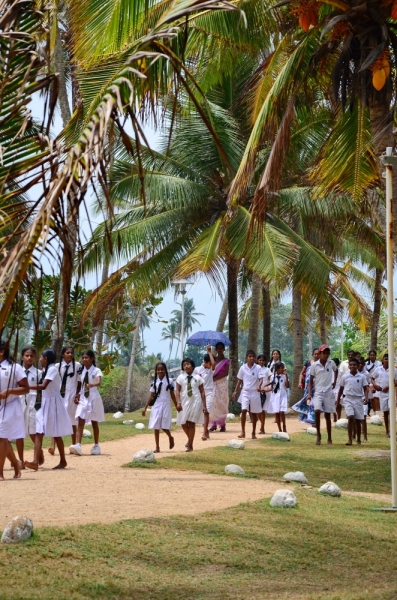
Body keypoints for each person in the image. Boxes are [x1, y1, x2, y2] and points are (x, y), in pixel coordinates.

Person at [25, 349, 72, 471]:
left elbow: (43, 386)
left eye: (41, 357)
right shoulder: (45, 370)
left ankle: (63, 460)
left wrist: (26, 387)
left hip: (53, 403)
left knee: (56, 434)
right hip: (45, 403)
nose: (39, 359)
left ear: (45, 359)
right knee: (39, 431)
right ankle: (35, 461)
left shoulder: (52, 369)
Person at [0, 340, 29, 480]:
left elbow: (26, 388)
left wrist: (10, 390)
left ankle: (0, 473)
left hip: (10, 405)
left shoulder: (14, 367)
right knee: (3, 440)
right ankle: (16, 464)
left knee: (1, 438)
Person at [69, 350, 104, 456]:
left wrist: (93, 385)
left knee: (94, 422)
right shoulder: (81, 371)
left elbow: (98, 382)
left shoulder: (96, 370)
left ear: (92, 359)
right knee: (80, 419)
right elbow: (80, 384)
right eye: (83, 358)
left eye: (86, 358)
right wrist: (77, 395)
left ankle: (96, 445)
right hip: (84, 397)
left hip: (94, 397)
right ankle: (78, 444)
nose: (84, 360)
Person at [48, 346, 82, 455]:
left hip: (71, 394)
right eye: (67, 353)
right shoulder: (57, 367)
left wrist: (78, 394)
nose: (70, 355)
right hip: (60, 394)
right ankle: (52, 446)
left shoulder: (77, 366)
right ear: (63, 354)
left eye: (71, 353)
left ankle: (73, 445)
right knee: (56, 420)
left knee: (72, 420)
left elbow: (80, 382)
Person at [142, 362, 179, 452]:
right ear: (156, 371)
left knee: (164, 425)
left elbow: (172, 394)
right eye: (158, 370)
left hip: (166, 404)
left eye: (162, 369)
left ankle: (170, 437)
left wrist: (176, 405)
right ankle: (157, 447)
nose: (160, 371)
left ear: (165, 370)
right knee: (156, 425)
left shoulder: (170, 381)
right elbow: (151, 396)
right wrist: (145, 408)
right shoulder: (155, 382)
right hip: (157, 405)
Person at [16, 346, 41, 467]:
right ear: (22, 357)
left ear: (35, 358)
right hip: (19, 402)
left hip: (33, 402)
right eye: (27, 355)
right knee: (19, 432)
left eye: (31, 356)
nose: (29, 358)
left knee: (33, 431)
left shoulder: (38, 373)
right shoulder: (16, 371)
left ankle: (38, 454)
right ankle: (20, 460)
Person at [176, 358, 208, 452]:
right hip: (184, 401)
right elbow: (177, 390)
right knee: (183, 422)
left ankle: (191, 445)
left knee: (191, 423)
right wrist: (178, 402)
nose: (186, 366)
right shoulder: (180, 378)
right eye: (184, 365)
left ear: (193, 366)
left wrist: (204, 405)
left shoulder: (198, 378)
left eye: (188, 364)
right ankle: (189, 439)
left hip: (196, 401)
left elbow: (202, 392)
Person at [308, 344, 338, 445]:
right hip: (318, 391)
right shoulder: (314, 365)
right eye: (324, 353)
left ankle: (329, 437)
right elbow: (311, 381)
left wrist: (334, 381)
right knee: (317, 410)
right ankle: (318, 435)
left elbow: (336, 370)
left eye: (327, 353)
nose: (326, 355)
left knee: (327, 415)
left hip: (328, 391)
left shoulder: (331, 363)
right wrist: (309, 394)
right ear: (320, 354)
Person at [337, 358, 368, 445]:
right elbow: (341, 389)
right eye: (351, 365)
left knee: (358, 420)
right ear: (349, 366)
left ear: (358, 366)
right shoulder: (345, 377)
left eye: (354, 365)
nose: (352, 366)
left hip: (358, 399)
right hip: (348, 399)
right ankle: (350, 439)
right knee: (350, 417)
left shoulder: (362, 377)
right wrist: (337, 400)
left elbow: (366, 388)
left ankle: (358, 439)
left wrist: (366, 397)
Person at [232, 350, 262, 439]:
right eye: (249, 356)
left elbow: (261, 379)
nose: (251, 358)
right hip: (245, 392)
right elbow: (239, 380)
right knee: (244, 410)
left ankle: (253, 432)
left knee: (253, 413)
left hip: (255, 392)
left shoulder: (258, 368)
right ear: (246, 358)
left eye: (253, 356)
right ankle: (243, 432)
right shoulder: (243, 368)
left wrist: (259, 386)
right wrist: (235, 391)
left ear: (255, 358)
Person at [291, 348, 319, 424]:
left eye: (318, 354)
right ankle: (308, 419)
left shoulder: (321, 364)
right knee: (308, 402)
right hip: (308, 387)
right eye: (315, 354)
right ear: (313, 355)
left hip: (317, 386)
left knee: (315, 403)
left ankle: (313, 419)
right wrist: (300, 383)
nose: (316, 355)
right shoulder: (308, 363)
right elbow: (301, 373)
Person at [372, 354, 397, 438]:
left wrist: (389, 386)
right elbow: (372, 377)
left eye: (389, 359)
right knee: (385, 412)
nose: (387, 360)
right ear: (382, 360)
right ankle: (387, 431)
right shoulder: (378, 369)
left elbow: (396, 381)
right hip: (382, 393)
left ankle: (393, 430)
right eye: (386, 359)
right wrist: (375, 385)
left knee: (391, 410)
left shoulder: (394, 370)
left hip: (390, 392)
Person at [194, 346, 215, 441]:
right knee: (202, 412)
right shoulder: (197, 369)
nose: (211, 364)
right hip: (200, 393)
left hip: (210, 392)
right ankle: (206, 430)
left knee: (206, 412)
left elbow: (214, 364)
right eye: (209, 363)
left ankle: (204, 433)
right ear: (206, 362)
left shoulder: (211, 369)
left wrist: (209, 352)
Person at [209, 342, 230, 432]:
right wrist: (209, 351)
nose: (220, 350)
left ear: (224, 349)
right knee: (214, 404)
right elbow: (210, 369)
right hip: (213, 384)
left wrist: (216, 378)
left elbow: (226, 373)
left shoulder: (227, 361)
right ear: (216, 349)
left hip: (222, 384)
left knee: (222, 404)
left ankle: (222, 424)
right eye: (218, 348)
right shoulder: (213, 360)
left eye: (222, 348)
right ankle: (213, 424)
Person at [266, 361, 289, 433]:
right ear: (277, 369)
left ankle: (284, 426)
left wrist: (287, 376)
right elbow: (271, 387)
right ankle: (279, 429)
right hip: (275, 395)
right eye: (282, 368)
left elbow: (287, 386)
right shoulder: (272, 377)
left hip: (283, 394)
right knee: (277, 413)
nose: (283, 369)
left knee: (282, 412)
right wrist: (263, 390)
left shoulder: (284, 376)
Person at [257, 354, 271, 434]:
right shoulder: (255, 369)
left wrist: (266, 387)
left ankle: (262, 427)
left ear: (265, 361)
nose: (261, 362)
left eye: (263, 360)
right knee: (257, 410)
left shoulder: (267, 370)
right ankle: (261, 423)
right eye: (260, 360)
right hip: (256, 391)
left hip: (264, 392)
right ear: (257, 361)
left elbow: (270, 380)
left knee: (262, 410)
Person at [358, 357, 370, 442]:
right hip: (355, 398)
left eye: (362, 364)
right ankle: (354, 435)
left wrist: (366, 397)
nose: (361, 365)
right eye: (359, 364)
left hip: (363, 397)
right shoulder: (352, 373)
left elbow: (367, 386)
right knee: (355, 418)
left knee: (363, 417)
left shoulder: (366, 374)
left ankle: (365, 437)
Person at [365, 350, 381, 415]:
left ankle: (376, 411)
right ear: (369, 356)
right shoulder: (366, 364)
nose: (372, 356)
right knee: (372, 398)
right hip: (369, 382)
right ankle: (374, 411)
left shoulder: (379, 363)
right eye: (371, 355)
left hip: (377, 381)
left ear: (375, 356)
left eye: (373, 355)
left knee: (376, 397)